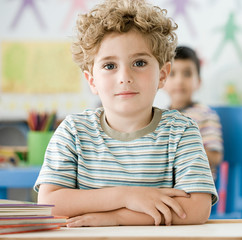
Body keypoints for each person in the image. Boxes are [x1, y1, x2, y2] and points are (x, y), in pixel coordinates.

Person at [34, 0, 218, 228]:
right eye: (110, 66)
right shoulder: (73, 132)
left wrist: (117, 218)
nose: (124, 77)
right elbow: (49, 204)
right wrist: (126, 196)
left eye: (139, 62)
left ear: (162, 75)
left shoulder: (181, 131)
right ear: (92, 80)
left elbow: (197, 208)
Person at [163, 46, 223, 179]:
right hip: (167, 185)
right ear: (162, 80)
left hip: (196, 186)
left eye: (187, 74)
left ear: (199, 82)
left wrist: (186, 147)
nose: (179, 81)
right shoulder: (159, 116)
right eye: (172, 74)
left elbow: (216, 157)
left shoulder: (205, 115)